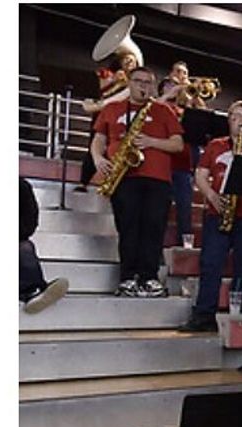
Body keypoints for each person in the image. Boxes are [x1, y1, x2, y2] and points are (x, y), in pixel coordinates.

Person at [90, 66, 184, 298]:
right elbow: (98, 140)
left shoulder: (163, 110)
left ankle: (149, 277)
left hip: (157, 179)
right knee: (128, 228)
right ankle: (128, 278)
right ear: (129, 83)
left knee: (153, 228)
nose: (143, 86)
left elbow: (178, 144)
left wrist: (151, 141)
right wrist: (98, 158)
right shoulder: (112, 108)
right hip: (123, 177)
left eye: (148, 83)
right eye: (139, 81)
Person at [179, 100, 242, 331]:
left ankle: (239, 315)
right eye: (235, 116)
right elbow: (201, 174)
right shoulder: (215, 145)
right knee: (210, 263)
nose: (240, 121)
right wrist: (211, 195)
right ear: (228, 120)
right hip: (217, 211)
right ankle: (204, 314)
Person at [76, 50, 138, 192]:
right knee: (94, 146)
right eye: (127, 60)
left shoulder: (135, 82)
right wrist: (111, 81)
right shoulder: (109, 76)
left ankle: (112, 182)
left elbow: (119, 98)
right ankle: (84, 181)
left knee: (116, 149)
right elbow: (98, 93)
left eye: (132, 61)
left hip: (121, 119)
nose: (129, 63)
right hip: (101, 116)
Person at [20, 178, 69, 313]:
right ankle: (33, 291)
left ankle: (32, 292)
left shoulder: (22, 187)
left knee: (25, 247)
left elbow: (30, 222)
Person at [156, 76, 195, 247]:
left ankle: (185, 245)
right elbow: (149, 109)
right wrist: (167, 96)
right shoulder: (158, 106)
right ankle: (157, 245)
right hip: (164, 164)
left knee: (185, 208)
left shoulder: (183, 110)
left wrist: (192, 102)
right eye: (169, 85)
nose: (174, 88)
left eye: (175, 85)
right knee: (160, 208)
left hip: (184, 165)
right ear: (162, 88)